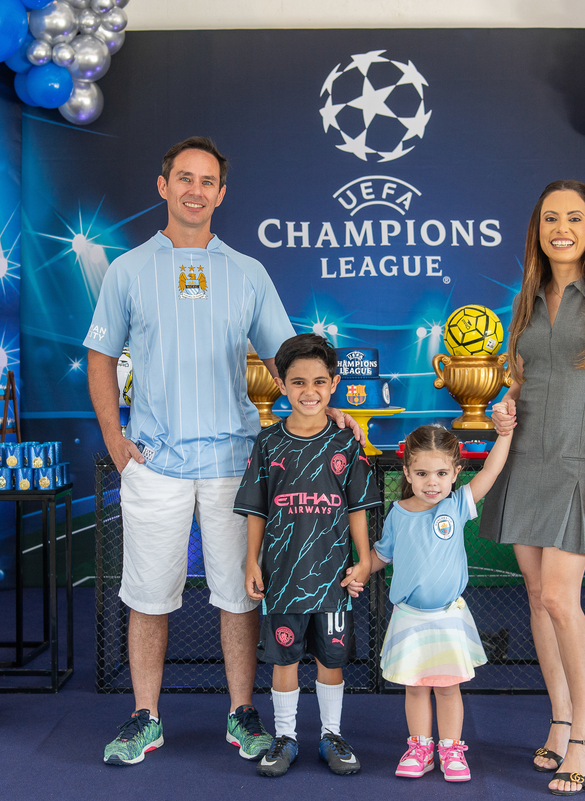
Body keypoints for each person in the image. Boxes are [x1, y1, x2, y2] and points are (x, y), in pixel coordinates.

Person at [85, 137, 358, 766]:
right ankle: (145, 717)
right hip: (154, 464)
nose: (195, 190)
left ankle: (242, 714)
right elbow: (99, 357)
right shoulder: (128, 270)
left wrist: (325, 408)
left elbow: (290, 358)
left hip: (235, 466)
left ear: (221, 194)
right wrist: (115, 441)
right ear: (164, 186)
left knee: (240, 596)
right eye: (184, 178)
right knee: (148, 597)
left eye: (207, 181)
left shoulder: (247, 272)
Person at [478, 179, 585, 796]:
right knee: (535, 596)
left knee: (559, 597)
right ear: (538, 228)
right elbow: (521, 379)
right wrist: (505, 404)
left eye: (574, 217)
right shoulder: (526, 297)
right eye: (551, 218)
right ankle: (559, 721)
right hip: (524, 460)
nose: (562, 229)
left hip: (582, 464)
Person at [234, 334, 381, 778]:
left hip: (333, 577)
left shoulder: (346, 442)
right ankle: (285, 736)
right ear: (281, 385)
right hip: (282, 576)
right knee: (284, 660)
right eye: (298, 382)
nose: (309, 391)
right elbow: (256, 510)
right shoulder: (268, 443)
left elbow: (357, 508)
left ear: (334, 384)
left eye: (319, 382)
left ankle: (331, 734)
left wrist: (363, 559)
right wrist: (251, 560)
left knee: (331, 660)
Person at [365, 421, 512, 783]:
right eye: (422, 473)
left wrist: (505, 434)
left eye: (441, 473)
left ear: (456, 473)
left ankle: (451, 749)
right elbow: (380, 556)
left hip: (447, 618)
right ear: (407, 473)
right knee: (416, 687)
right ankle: (420, 749)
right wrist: (357, 572)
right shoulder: (397, 514)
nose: (432, 482)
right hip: (409, 618)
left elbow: (491, 471)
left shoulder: (458, 505)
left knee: (447, 687)